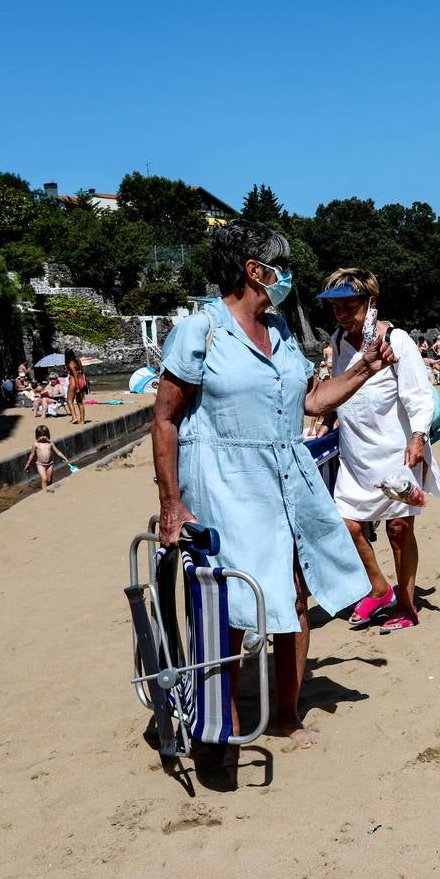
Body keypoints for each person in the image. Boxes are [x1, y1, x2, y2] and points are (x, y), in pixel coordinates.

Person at [153, 221, 394, 750]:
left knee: (297, 592)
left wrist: (367, 369)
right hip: (224, 480)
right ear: (254, 271)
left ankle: (286, 713)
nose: (288, 276)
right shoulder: (202, 329)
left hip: (287, 475)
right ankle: (223, 720)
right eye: (280, 266)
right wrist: (171, 504)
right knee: (234, 601)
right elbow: (166, 418)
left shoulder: (282, 330)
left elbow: (310, 402)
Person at [318, 267, 440, 636]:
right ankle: (378, 587)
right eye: (336, 307)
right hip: (355, 453)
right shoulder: (338, 341)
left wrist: (418, 436)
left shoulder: (398, 340)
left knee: (398, 528)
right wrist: (326, 420)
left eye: (350, 305)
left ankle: (406, 605)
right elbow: (340, 390)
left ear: (370, 303)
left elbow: (418, 393)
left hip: (396, 453)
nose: (343, 313)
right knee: (347, 524)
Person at [24, 425, 69, 490]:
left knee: (49, 480)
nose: (42, 437)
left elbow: (57, 451)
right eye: (40, 435)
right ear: (37, 436)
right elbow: (32, 454)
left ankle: (49, 490)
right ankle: (44, 493)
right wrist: (28, 464)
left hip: (50, 464)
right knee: (44, 479)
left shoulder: (50, 443)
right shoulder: (36, 444)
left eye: (44, 435)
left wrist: (64, 457)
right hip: (40, 465)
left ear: (48, 435)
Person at [64, 349, 87, 426]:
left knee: (69, 401)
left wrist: (77, 387)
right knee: (80, 402)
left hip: (74, 382)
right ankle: (82, 420)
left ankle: (74, 417)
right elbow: (82, 372)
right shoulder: (78, 361)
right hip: (81, 381)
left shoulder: (70, 363)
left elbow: (75, 375)